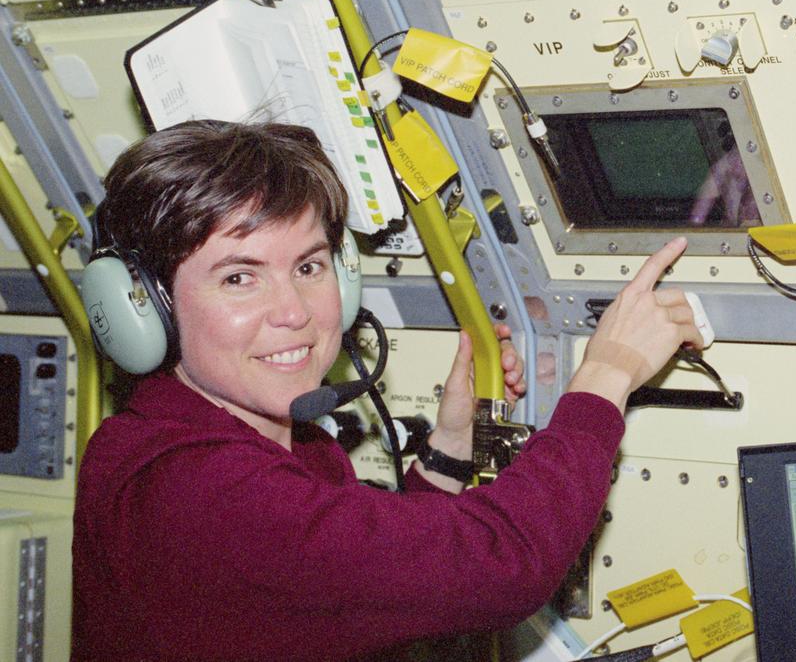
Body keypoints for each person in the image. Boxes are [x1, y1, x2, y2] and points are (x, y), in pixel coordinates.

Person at [72, 120, 705, 661]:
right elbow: (500, 567)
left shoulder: (272, 447)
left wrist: (451, 445)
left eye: (309, 266)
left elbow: (365, 586)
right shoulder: (188, 487)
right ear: (143, 309)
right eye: (240, 278)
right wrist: (607, 375)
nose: (294, 312)